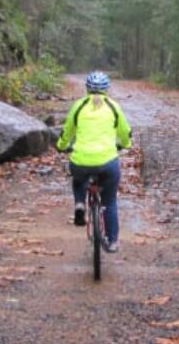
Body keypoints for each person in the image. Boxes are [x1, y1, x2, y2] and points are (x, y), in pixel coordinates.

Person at [55, 71, 133, 252]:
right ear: (107, 89)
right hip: (108, 162)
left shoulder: (79, 106)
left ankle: (80, 204)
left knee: (78, 179)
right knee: (110, 202)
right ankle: (112, 241)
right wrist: (126, 144)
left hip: (81, 160)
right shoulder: (113, 106)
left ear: (87, 89)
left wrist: (61, 146)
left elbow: (67, 132)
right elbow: (125, 132)